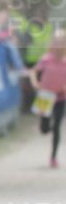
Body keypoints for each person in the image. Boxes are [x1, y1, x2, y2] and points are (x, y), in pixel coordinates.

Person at [29, 30, 66, 168]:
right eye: (56, 42)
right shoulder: (46, 59)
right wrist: (35, 83)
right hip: (45, 97)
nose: (58, 46)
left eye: (61, 43)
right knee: (44, 129)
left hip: (61, 98)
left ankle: (53, 157)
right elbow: (34, 71)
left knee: (57, 126)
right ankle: (47, 126)